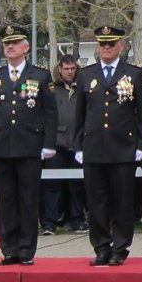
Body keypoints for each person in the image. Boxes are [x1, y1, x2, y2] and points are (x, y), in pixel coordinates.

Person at [0, 24, 58, 266]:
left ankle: (26, 250)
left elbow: (50, 113)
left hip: (29, 146)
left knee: (28, 199)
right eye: (7, 44)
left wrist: (49, 144)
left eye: (14, 43)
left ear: (26, 48)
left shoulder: (40, 75)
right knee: (6, 200)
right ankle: (10, 249)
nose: (10, 47)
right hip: (2, 146)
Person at [74, 25, 142, 266]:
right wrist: (78, 146)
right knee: (96, 202)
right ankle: (101, 247)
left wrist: (141, 145)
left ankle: (120, 247)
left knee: (122, 201)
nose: (106, 48)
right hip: (94, 147)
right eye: (102, 44)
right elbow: (79, 114)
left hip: (123, 147)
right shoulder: (86, 74)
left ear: (121, 46)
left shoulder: (134, 74)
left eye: (111, 43)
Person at [42, 54, 87, 234]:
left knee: (77, 184)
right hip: (57, 144)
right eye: (66, 69)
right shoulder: (52, 89)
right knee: (52, 185)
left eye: (72, 68)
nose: (69, 72)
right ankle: (49, 223)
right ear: (59, 69)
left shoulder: (83, 88)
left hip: (77, 144)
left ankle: (77, 220)